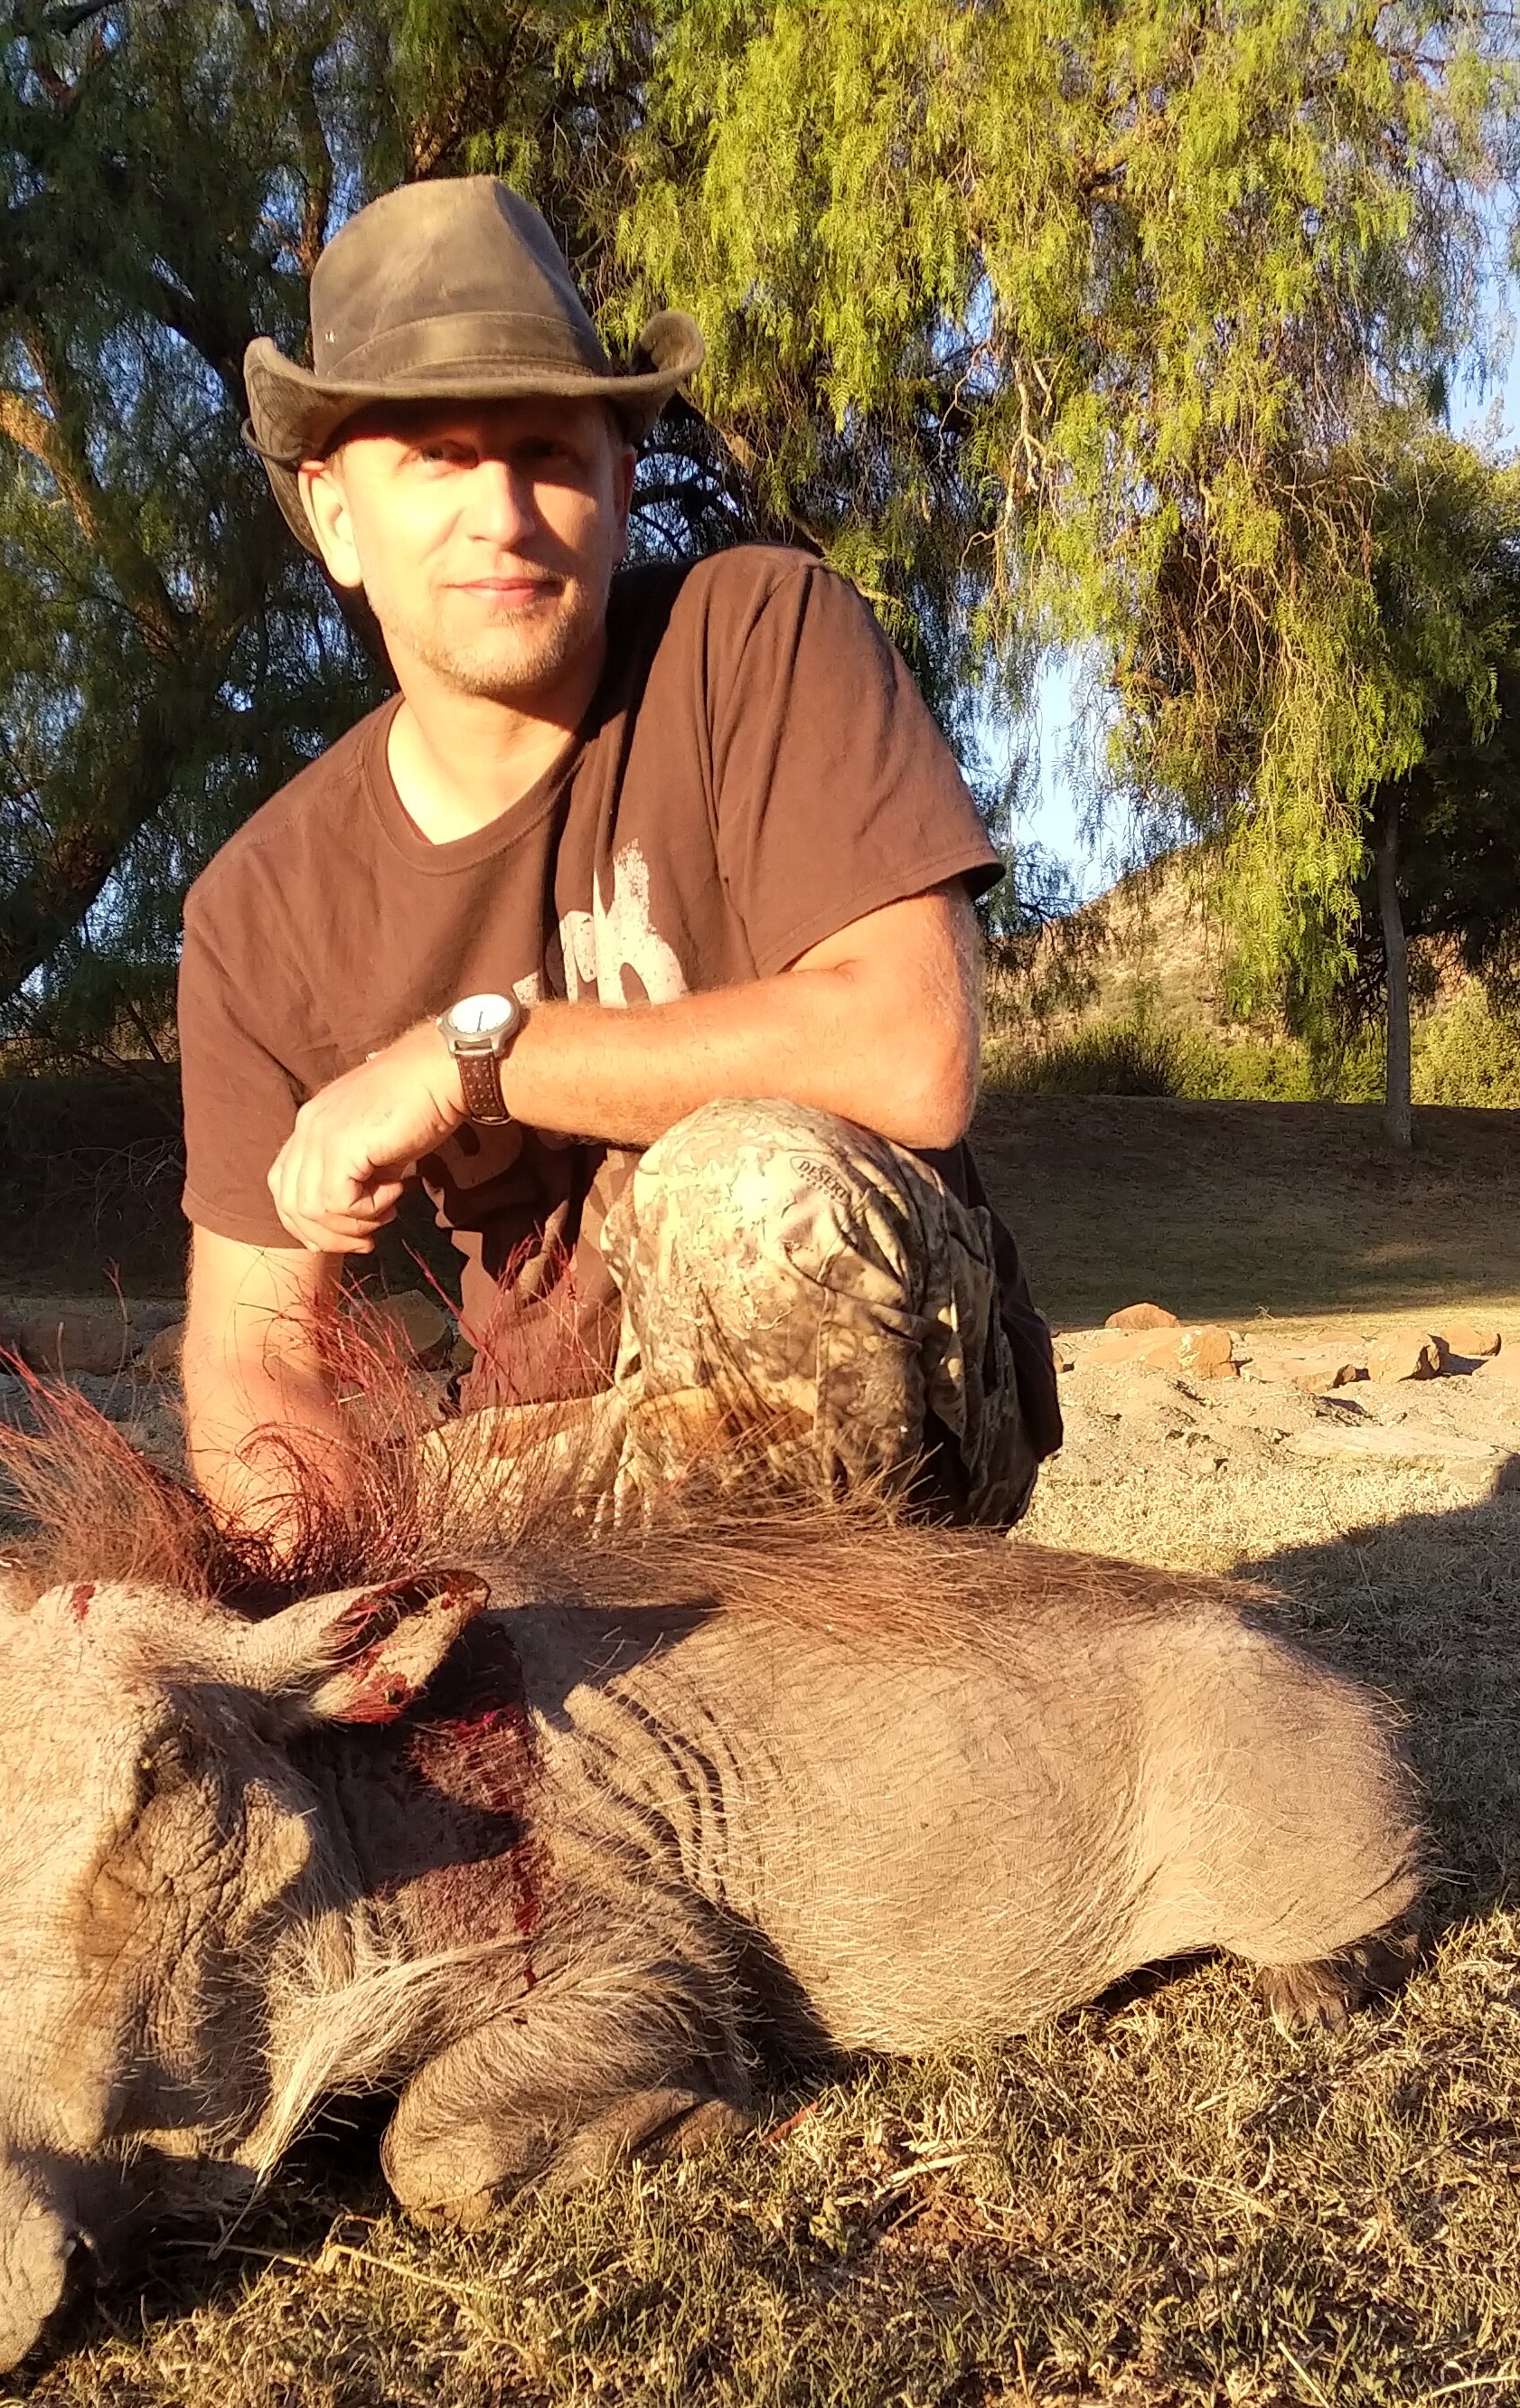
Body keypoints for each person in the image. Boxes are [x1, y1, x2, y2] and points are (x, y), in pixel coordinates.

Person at [176, 175, 1058, 1536]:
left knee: (747, 1185)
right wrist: (319, 1565)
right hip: (568, 1449)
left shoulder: (759, 637)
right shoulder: (257, 907)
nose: (504, 513)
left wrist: (467, 1061)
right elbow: (252, 1348)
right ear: (336, 515)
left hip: (901, 1388)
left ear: (621, 478)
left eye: (546, 451)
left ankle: (840, 1678)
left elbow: (912, 1052)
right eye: (436, 459)